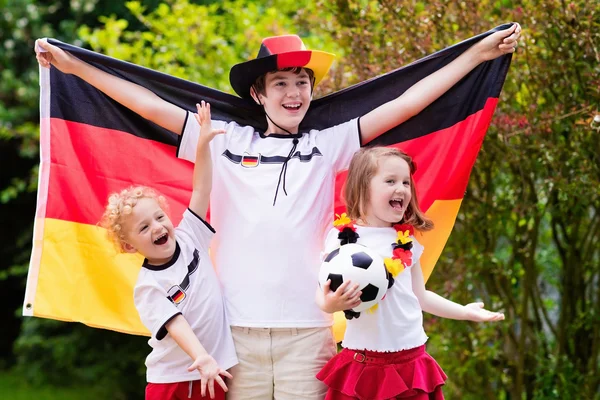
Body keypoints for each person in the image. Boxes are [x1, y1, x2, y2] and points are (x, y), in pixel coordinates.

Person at [36, 23, 520, 399]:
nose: (294, 93)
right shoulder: (224, 140)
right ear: (259, 95)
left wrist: (476, 54)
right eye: (282, 83)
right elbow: (148, 105)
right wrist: (74, 67)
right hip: (234, 333)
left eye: (303, 82)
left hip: (309, 334)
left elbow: (406, 102)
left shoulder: (328, 144)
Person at [315, 147, 505, 400]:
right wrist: (330, 304)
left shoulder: (407, 243)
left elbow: (421, 296)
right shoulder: (341, 240)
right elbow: (322, 294)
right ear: (363, 188)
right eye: (390, 181)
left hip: (410, 362)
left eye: (406, 182)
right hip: (363, 362)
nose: (402, 188)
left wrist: (465, 312)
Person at [99, 102, 237, 400]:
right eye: (143, 228)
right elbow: (174, 323)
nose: (157, 228)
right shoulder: (148, 286)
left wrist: (202, 143)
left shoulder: (191, 237)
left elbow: (201, 189)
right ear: (128, 245)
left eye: (159, 218)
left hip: (212, 372)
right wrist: (201, 357)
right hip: (175, 381)